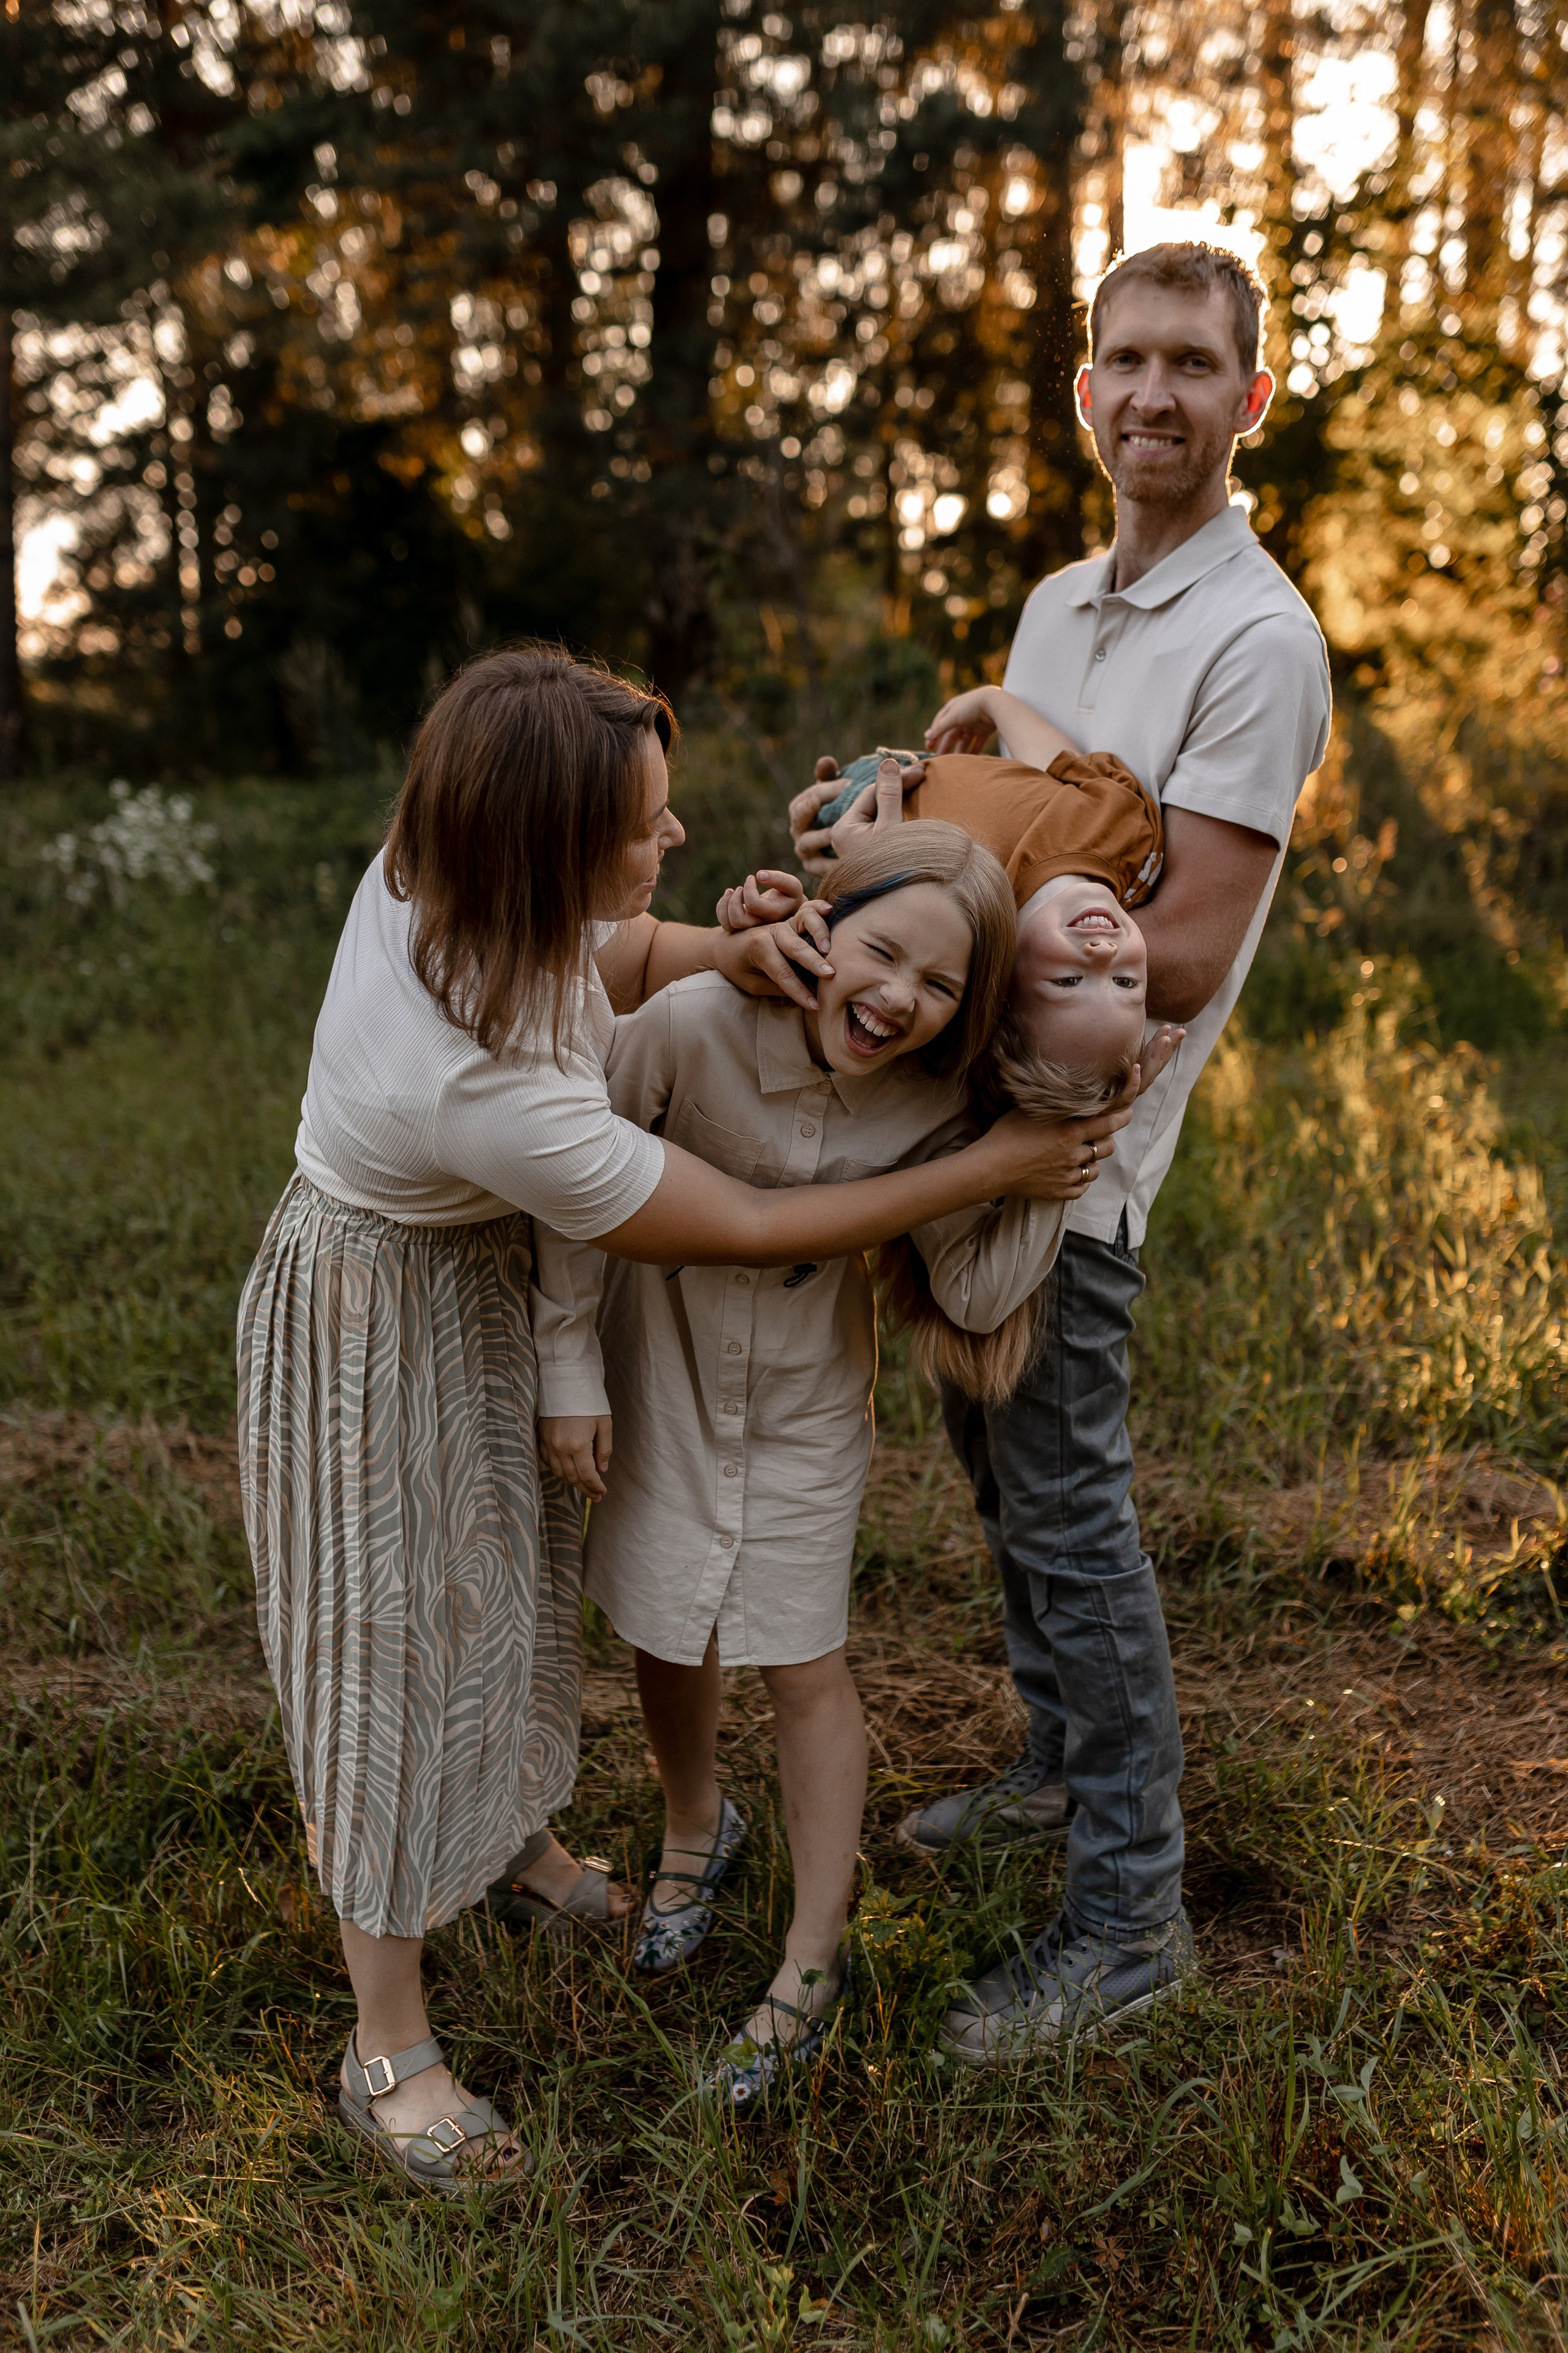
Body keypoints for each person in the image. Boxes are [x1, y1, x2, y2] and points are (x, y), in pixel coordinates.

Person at [236, 646, 1134, 2196]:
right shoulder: (491, 1098)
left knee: (503, 1597)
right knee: (388, 1643)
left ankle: (504, 1846)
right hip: (373, 1305)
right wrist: (986, 1174)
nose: (676, 848)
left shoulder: (433, 864)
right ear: (540, 845)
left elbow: (611, 945)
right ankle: (386, 2041)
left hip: (475, 1270)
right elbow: (742, 1225)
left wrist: (715, 957)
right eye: (642, 825)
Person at [788, 240, 1333, 2064]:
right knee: (997, 1474)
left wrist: (929, 876)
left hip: (1076, 1156)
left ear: (1252, 400)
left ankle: (1131, 1915)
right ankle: (1050, 1762)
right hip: (965, 1109)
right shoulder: (1051, 609)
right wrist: (892, 815)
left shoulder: (1261, 643)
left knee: (1076, 1516)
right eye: (1129, 361)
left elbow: (1170, 950)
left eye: (1196, 365)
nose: (1157, 395)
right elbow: (1021, 837)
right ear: (1084, 387)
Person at [533, 825, 1166, 2115]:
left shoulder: (933, 1101)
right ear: (821, 922)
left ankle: (805, 1968)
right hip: (662, 1373)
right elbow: (575, 1182)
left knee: (805, 1663)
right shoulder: (691, 1019)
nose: (894, 999)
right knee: (665, 1619)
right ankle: (695, 1827)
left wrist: (1056, 1147)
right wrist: (568, 1367)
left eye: (937, 989)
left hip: (810, 1407)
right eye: (879, 952)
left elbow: (978, 1288)